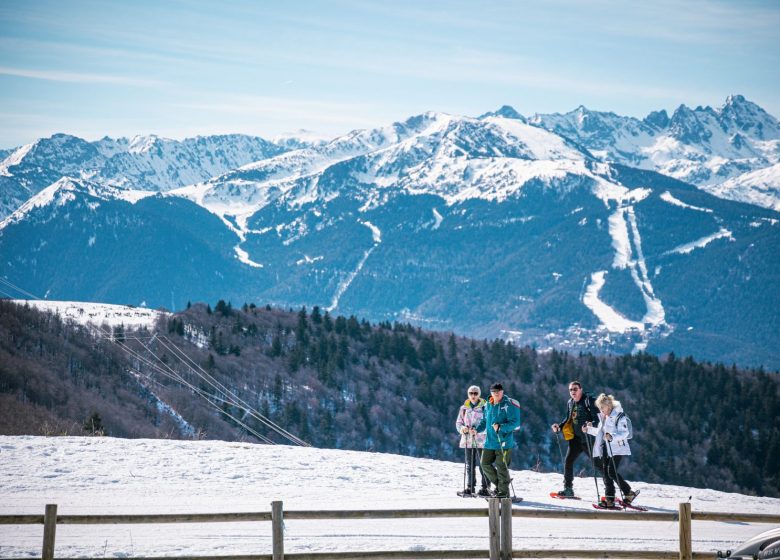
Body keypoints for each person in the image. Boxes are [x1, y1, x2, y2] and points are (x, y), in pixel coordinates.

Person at [583, 393, 638, 508]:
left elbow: (625, 433)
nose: (601, 410)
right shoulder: (604, 417)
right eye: (600, 408)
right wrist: (588, 429)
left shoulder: (619, 416)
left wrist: (611, 436)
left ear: (608, 405)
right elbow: (600, 432)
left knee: (611, 472)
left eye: (602, 408)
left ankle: (628, 492)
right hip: (607, 449)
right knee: (607, 473)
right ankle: (610, 499)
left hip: (617, 448)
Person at [550, 380, 600, 497]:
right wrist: (559, 427)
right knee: (568, 461)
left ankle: (618, 492)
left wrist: (590, 425)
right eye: (571, 389)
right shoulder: (570, 402)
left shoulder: (589, 401)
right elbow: (568, 419)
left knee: (601, 466)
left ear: (581, 389)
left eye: (575, 389)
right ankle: (568, 489)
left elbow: (597, 420)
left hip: (589, 440)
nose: (573, 391)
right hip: (576, 440)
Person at [476, 382, 521, 498]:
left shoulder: (508, 404)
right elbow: (485, 421)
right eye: (494, 392)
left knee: (501, 467)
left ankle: (503, 493)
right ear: (491, 393)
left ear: (502, 392)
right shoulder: (488, 405)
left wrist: (501, 427)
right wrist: (476, 430)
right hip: (490, 442)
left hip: (504, 442)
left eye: (498, 391)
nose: (496, 394)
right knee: (484, 464)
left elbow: (515, 422)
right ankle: (502, 485)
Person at [455, 385, 490, 496]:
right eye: (471, 393)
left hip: (482, 440)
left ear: (479, 394)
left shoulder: (485, 407)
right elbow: (458, 422)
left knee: (483, 464)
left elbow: (488, 422)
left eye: (475, 393)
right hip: (468, 439)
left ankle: (485, 488)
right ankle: (470, 487)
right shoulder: (464, 408)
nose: (473, 395)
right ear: (468, 394)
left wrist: (478, 430)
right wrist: (462, 429)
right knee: (470, 464)